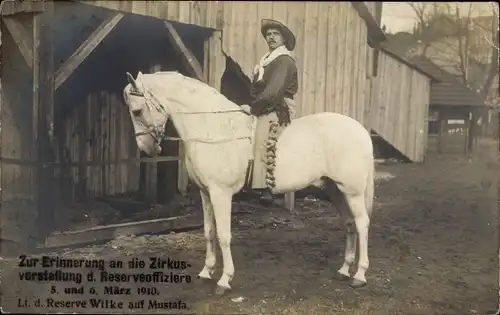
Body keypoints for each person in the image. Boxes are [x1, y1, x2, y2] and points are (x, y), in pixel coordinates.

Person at [242, 18, 299, 204]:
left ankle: (266, 187)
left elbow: (273, 92)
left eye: (276, 34)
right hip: (267, 103)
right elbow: (256, 91)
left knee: (262, 139)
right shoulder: (265, 61)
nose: (271, 37)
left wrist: (254, 107)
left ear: (283, 39)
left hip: (278, 106)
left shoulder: (284, 60)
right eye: (268, 34)